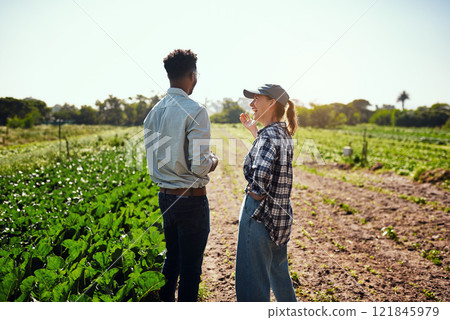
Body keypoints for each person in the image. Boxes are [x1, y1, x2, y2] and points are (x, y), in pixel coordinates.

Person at [143, 49, 218, 302]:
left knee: (171, 260)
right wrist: (214, 161)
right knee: (190, 270)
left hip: (165, 199)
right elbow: (199, 166)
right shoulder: (195, 110)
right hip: (191, 201)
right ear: (192, 75)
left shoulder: (153, 112)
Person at [235, 84, 298, 302]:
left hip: (259, 215)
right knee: (280, 275)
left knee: (252, 281)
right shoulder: (283, 132)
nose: (251, 103)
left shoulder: (268, 137)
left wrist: (254, 197)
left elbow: (261, 177)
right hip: (280, 217)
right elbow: (271, 160)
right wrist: (255, 132)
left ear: (272, 103)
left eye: (256, 99)